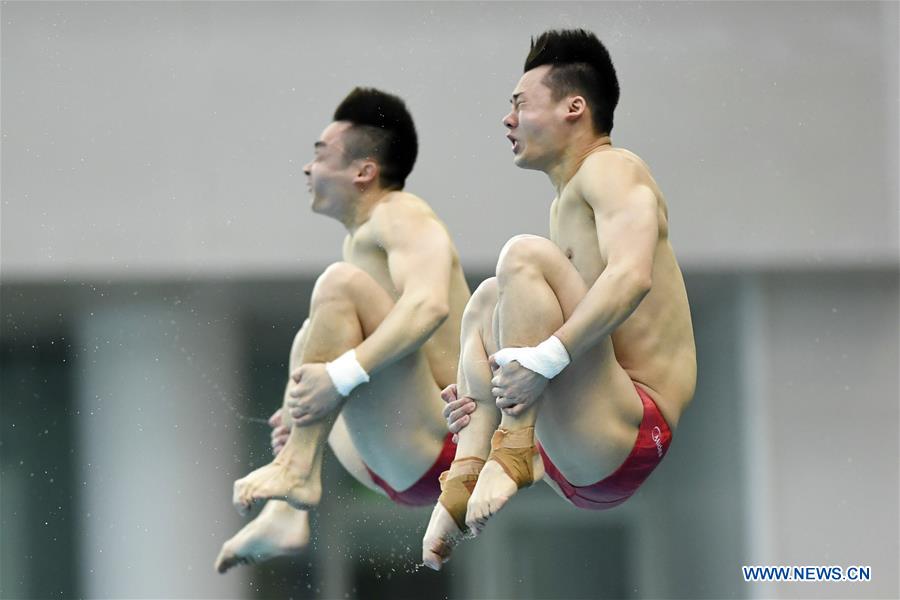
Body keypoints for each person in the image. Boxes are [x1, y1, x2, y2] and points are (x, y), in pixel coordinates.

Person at [421, 29, 697, 570]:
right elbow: (565, 328)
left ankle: (513, 446)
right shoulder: (567, 200)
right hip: (584, 442)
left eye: (520, 104)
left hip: (636, 427)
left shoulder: (614, 170)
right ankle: (468, 470)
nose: (507, 119)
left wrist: (540, 364)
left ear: (575, 107)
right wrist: (485, 385)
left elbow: (632, 276)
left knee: (523, 257)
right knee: (488, 299)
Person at [215, 87, 471, 573]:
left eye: (320, 155)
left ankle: (298, 472)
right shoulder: (361, 240)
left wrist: (339, 377)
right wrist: (302, 413)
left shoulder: (402, 213)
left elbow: (429, 305)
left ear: (363, 171)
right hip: (391, 453)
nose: (308, 169)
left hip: (442, 445)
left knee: (338, 288)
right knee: (313, 332)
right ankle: (286, 508)